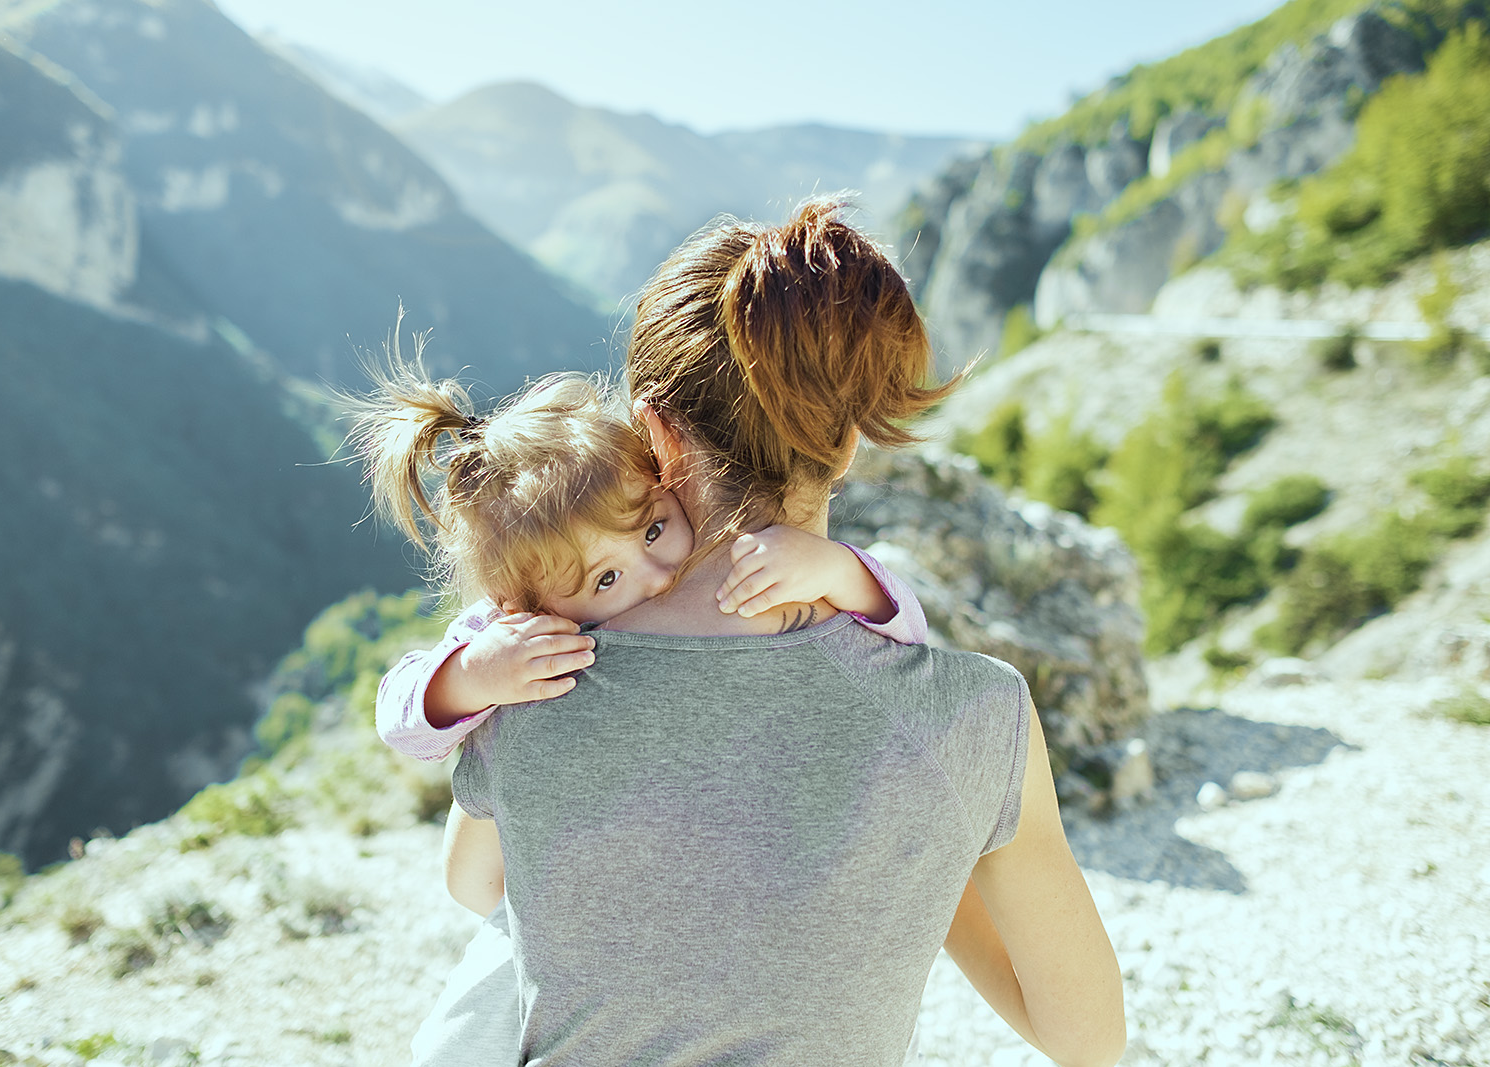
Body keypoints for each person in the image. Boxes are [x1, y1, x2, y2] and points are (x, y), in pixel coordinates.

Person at [438, 197, 1126, 1066]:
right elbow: (1091, 1042)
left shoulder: (531, 678)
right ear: (845, 442)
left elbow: (477, 886)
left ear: (653, 433)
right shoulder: (974, 714)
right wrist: (918, 841)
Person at [352, 360, 933, 1063]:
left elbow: (908, 632)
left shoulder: (740, 574)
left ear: (664, 478)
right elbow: (399, 716)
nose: (654, 576)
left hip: (694, 884)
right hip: (545, 893)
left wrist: (838, 570)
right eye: (605, 578)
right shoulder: (514, 634)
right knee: (466, 1036)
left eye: (655, 529)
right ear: (530, 607)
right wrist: (473, 675)